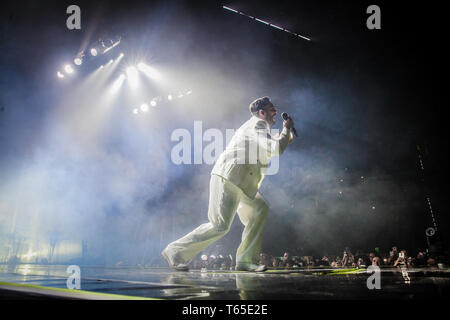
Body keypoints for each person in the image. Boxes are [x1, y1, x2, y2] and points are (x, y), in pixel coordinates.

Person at [162, 97, 294, 271]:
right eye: (271, 109)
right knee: (220, 225)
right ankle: (175, 251)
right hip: (229, 178)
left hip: (242, 182)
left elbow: (266, 152)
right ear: (261, 113)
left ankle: (246, 260)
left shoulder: (257, 129)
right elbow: (275, 149)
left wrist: (282, 136)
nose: (275, 112)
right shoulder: (257, 125)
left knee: (260, 209)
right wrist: (286, 129)